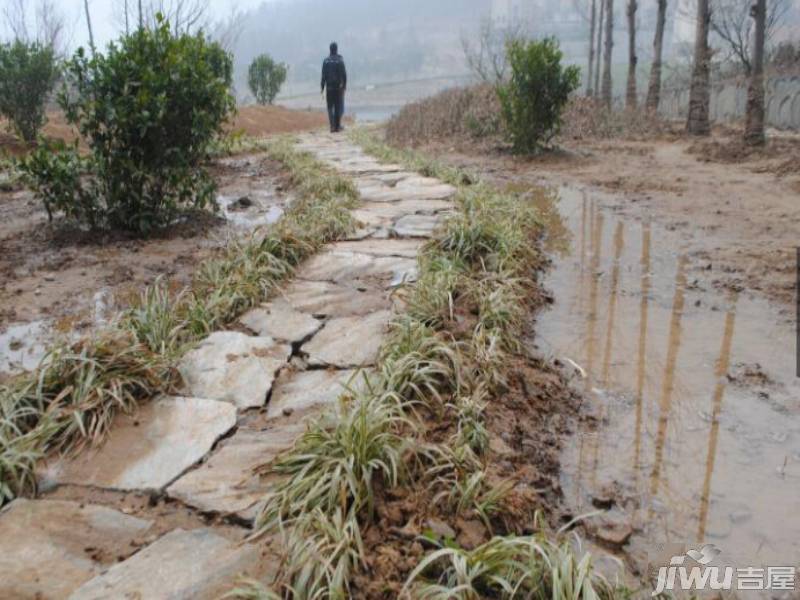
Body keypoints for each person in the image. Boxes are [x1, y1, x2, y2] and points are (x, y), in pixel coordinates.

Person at [321, 42, 347, 133]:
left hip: (329, 88)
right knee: (338, 107)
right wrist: (344, 86)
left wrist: (322, 87)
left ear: (330, 49)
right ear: (336, 49)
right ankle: (337, 126)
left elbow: (323, 75)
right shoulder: (340, 60)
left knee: (330, 107)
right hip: (338, 88)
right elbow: (344, 75)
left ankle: (332, 126)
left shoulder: (326, 61)